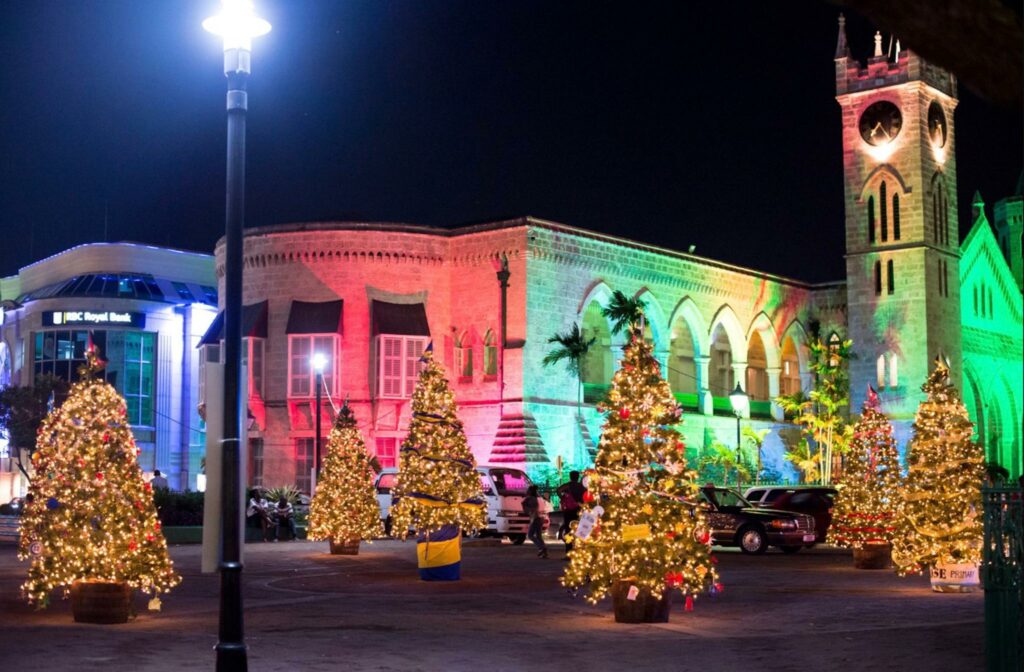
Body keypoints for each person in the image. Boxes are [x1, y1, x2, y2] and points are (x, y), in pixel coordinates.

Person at [556, 471, 587, 554]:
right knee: (579, 530)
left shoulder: (568, 485)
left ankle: (569, 551)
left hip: (569, 511)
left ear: (570, 476)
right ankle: (578, 551)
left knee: (568, 529)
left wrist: (562, 497)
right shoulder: (582, 486)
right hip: (579, 510)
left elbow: (558, 490)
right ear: (577, 477)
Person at [521, 485, 548, 558]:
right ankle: (543, 550)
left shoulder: (529, 499)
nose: (526, 491)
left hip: (535, 519)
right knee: (538, 536)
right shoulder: (534, 499)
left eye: (528, 490)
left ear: (530, 491)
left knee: (530, 535)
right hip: (538, 518)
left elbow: (527, 510)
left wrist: (524, 505)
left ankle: (541, 548)